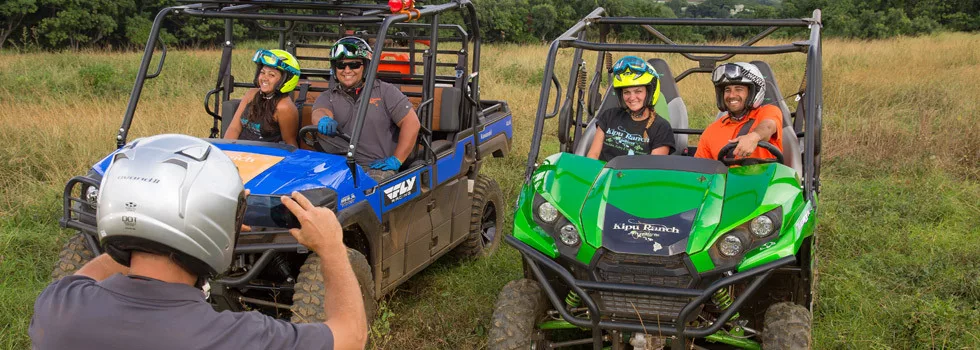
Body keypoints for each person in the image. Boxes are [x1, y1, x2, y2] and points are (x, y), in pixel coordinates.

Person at [29, 134, 367, 350]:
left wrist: (144, 225)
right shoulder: (236, 337)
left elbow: (85, 276)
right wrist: (332, 247)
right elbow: (350, 335)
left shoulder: (57, 307)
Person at [311, 36, 421, 181]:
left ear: (366, 66)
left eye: (355, 65)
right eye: (341, 65)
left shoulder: (385, 91)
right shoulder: (328, 96)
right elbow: (319, 112)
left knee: (368, 191)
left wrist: (396, 160)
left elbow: (411, 123)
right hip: (337, 167)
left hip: (376, 167)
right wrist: (323, 119)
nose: (347, 70)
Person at [586, 56, 675, 161]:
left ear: (649, 93)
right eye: (626, 92)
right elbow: (593, 156)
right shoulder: (609, 116)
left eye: (638, 91)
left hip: (638, 177)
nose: (632, 98)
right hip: (603, 175)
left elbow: (652, 170)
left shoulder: (661, 128)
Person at [694, 62, 783, 161]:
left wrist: (754, 137)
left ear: (752, 93)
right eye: (727, 90)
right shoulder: (711, 132)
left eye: (739, 89)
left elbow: (768, 126)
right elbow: (700, 170)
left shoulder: (768, 111)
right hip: (726, 176)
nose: (732, 95)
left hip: (767, 176)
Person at [223, 49, 301, 147]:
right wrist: (226, 150)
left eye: (271, 75)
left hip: (266, 157)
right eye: (262, 72)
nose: (264, 78)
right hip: (241, 152)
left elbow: (289, 143)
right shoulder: (251, 94)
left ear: (285, 80)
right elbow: (234, 128)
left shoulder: (284, 107)